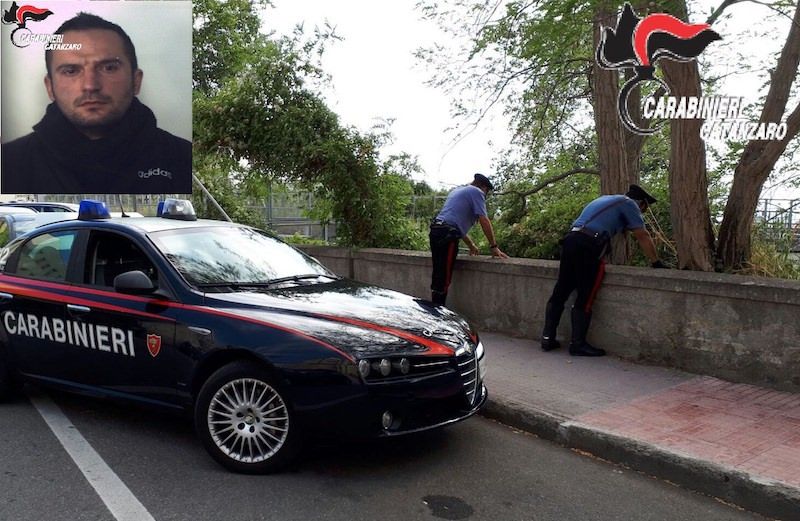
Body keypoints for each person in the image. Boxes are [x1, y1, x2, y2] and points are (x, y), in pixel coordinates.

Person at [1, 12, 191, 194]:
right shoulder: (9, 162)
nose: (90, 85)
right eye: (71, 71)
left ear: (136, 81)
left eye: (109, 68)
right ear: (50, 87)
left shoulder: (183, 158)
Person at [540, 184, 666, 356]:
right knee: (586, 295)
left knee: (561, 291)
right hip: (588, 245)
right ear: (642, 203)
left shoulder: (605, 199)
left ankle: (547, 339)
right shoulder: (629, 204)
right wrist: (656, 262)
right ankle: (577, 344)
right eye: (644, 209)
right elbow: (642, 235)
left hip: (571, 240)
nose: (642, 213)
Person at [429, 173, 508, 305]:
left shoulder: (457, 191)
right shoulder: (477, 192)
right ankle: (437, 311)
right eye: (487, 192)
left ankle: (434, 307)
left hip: (437, 230)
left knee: (438, 274)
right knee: (444, 278)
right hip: (447, 235)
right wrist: (494, 247)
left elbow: (455, 224)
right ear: (484, 187)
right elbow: (484, 220)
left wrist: (471, 245)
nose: (485, 196)